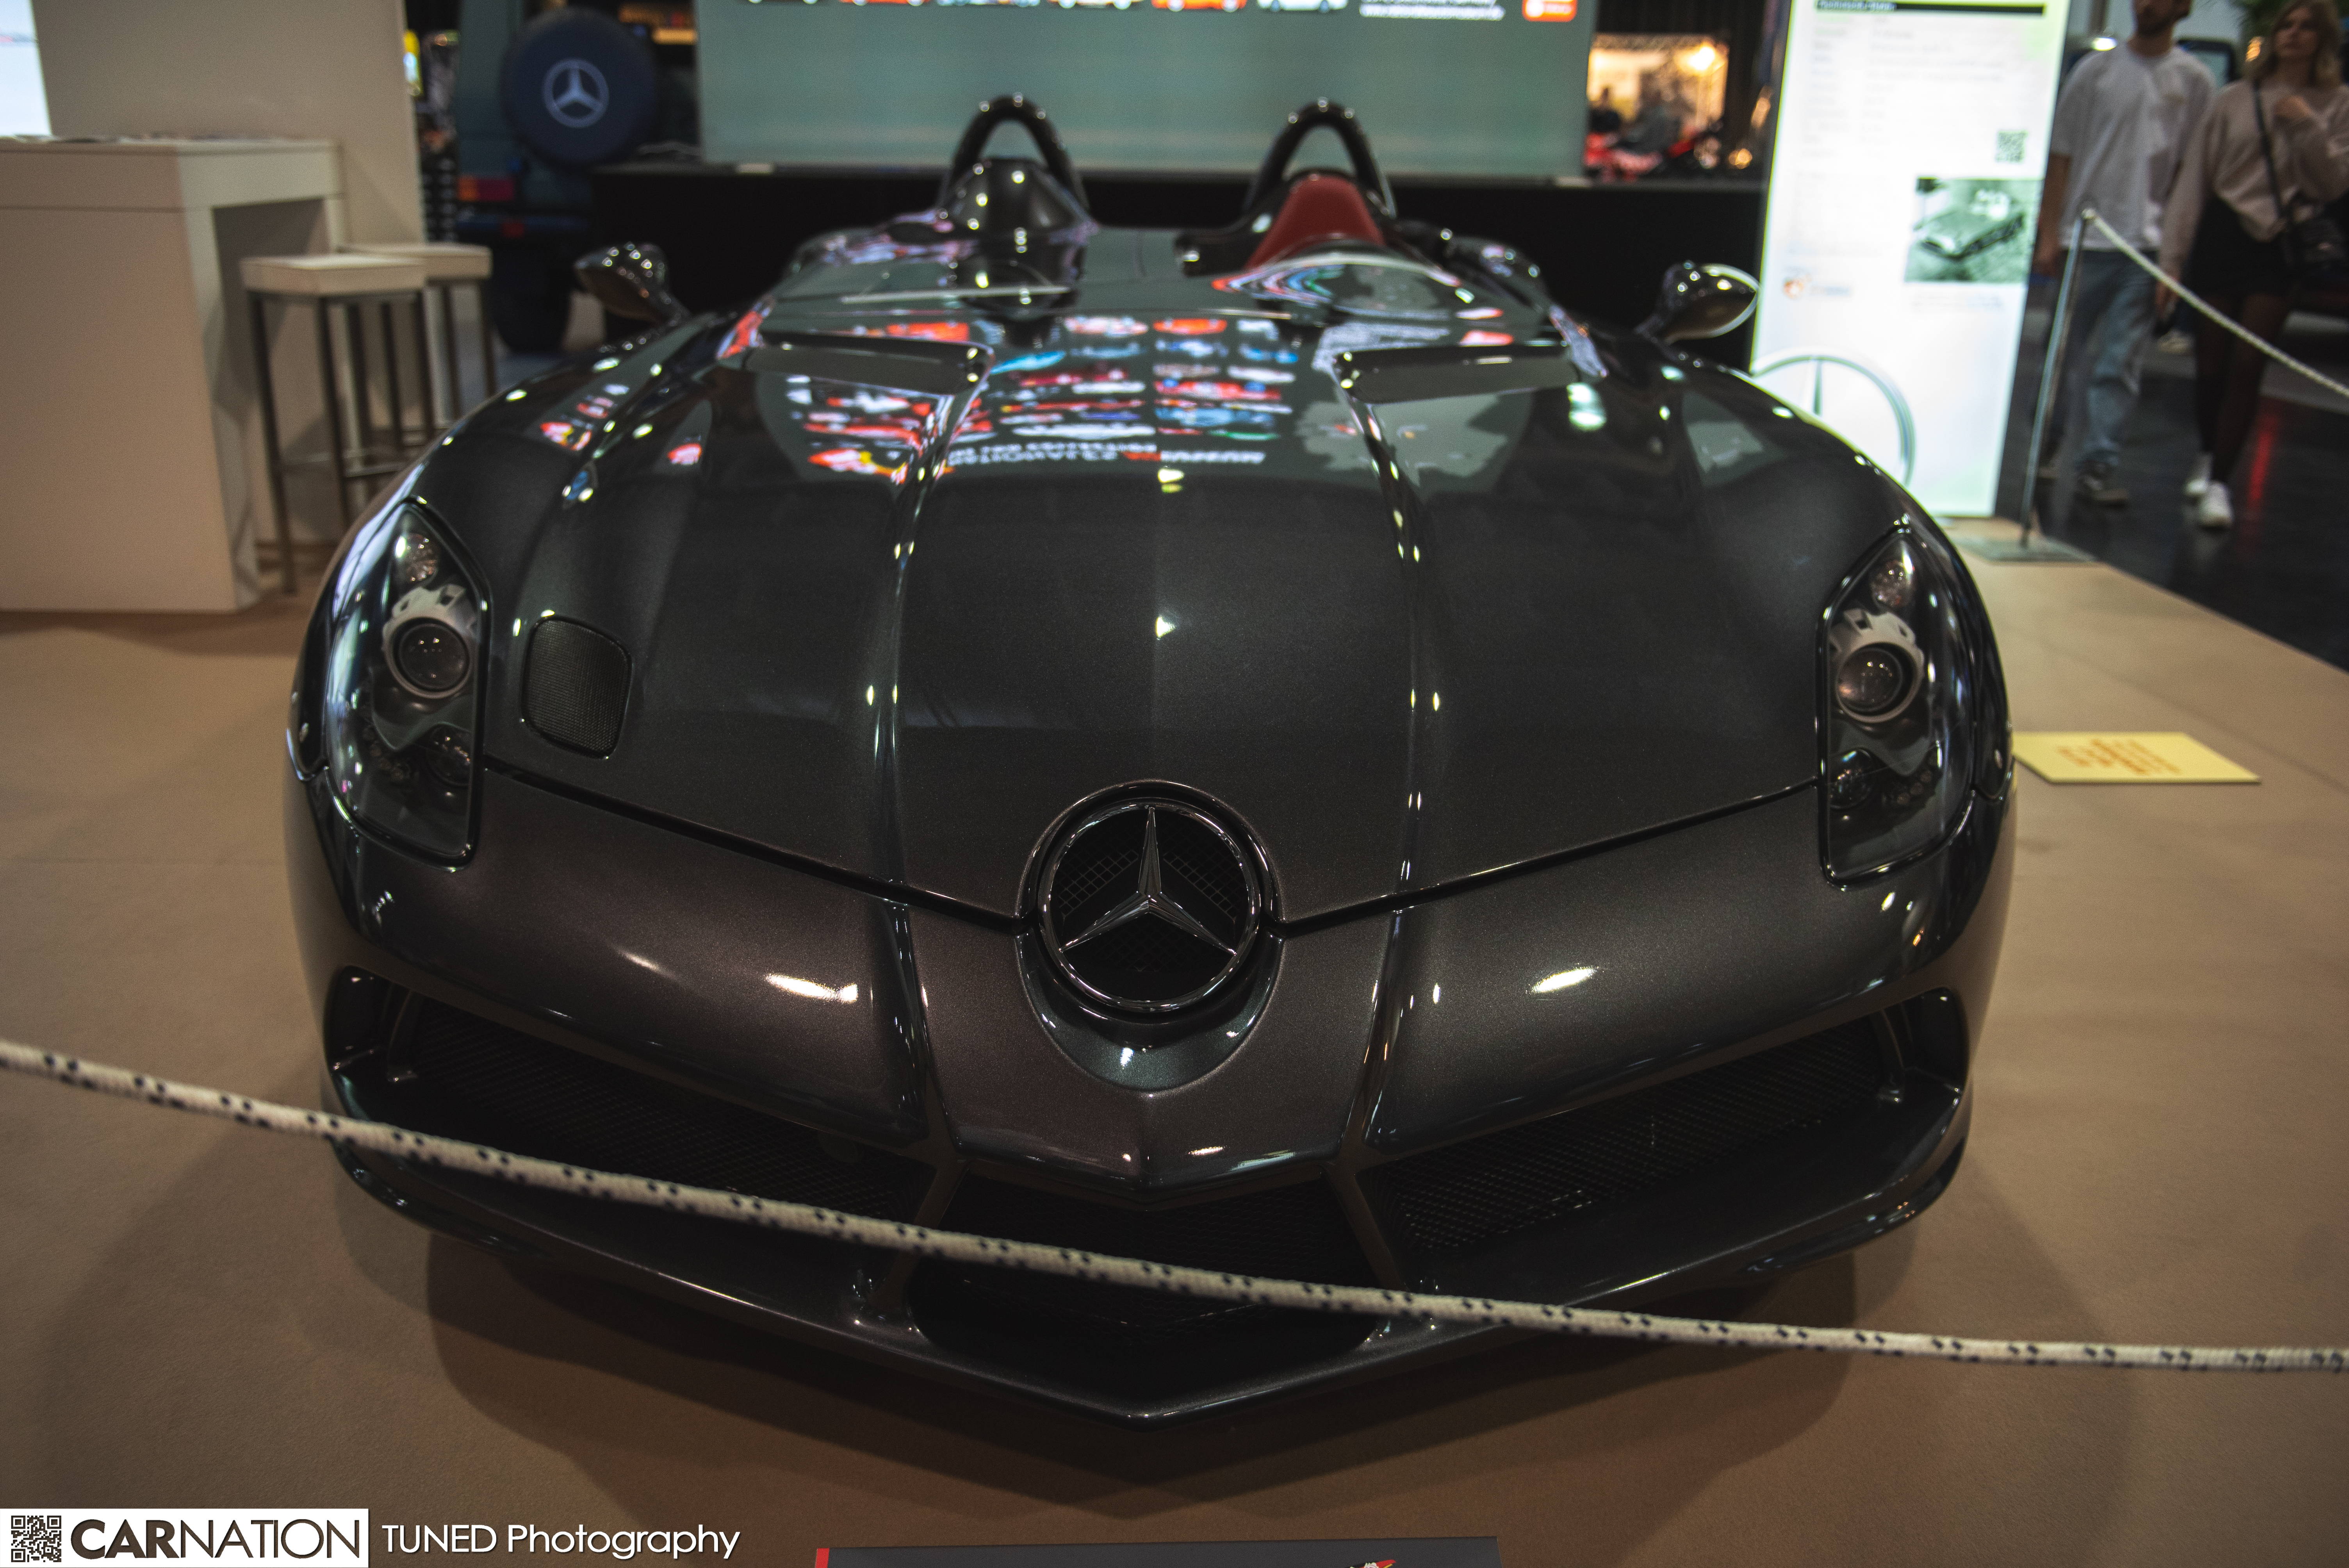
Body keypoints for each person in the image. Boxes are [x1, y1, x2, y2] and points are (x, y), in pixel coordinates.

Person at [2158, 0, 2349, 527]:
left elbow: (2333, 184)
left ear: (2323, 39)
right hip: (2224, 236)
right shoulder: (2234, 99)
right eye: (2287, 24)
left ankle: (2221, 480)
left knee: (2249, 363)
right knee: (2211, 364)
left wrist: (2307, 125)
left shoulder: (2337, 104)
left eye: (2306, 27)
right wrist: (2172, 262)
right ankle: (2207, 452)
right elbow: (2194, 180)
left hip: (2280, 242)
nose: (2295, 34)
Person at [2033, 0, 2214, 507]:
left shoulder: (2195, 80)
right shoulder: (2096, 71)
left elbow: (2190, 174)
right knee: (2061, 356)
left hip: (2145, 247)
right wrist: (2050, 232)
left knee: (2120, 363)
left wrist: (2173, 258)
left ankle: (2098, 463)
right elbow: (2062, 154)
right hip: (2084, 237)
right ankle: (2046, 447)